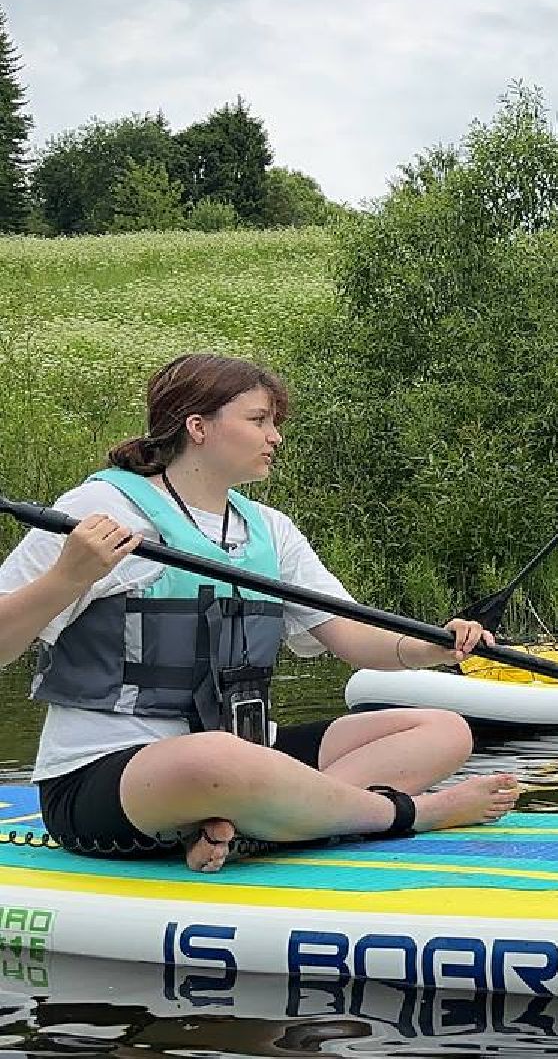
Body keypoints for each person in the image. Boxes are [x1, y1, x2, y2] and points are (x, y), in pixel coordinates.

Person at [0, 354, 520, 875]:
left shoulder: (269, 530)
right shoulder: (101, 506)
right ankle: (406, 814)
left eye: (275, 422)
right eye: (258, 420)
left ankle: (252, 828)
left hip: (246, 761)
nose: (276, 437)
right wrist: (66, 578)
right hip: (109, 777)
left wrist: (434, 645)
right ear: (197, 426)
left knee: (443, 728)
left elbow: (349, 634)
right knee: (215, 757)